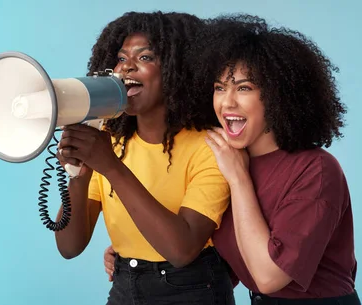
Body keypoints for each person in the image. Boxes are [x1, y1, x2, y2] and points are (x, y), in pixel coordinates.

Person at [102, 14, 362, 304]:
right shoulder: (227, 157)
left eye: (244, 88)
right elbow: (229, 257)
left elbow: (269, 276)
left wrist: (238, 179)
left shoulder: (316, 170)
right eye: (219, 87)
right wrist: (139, 257)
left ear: (278, 96)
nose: (227, 102)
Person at [55, 11, 235, 305]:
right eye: (121, 58)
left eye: (145, 58)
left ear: (178, 69)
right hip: (126, 284)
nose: (127, 68)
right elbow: (69, 246)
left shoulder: (209, 147)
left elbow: (181, 250)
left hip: (193, 289)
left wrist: (110, 166)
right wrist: (80, 174)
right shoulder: (110, 141)